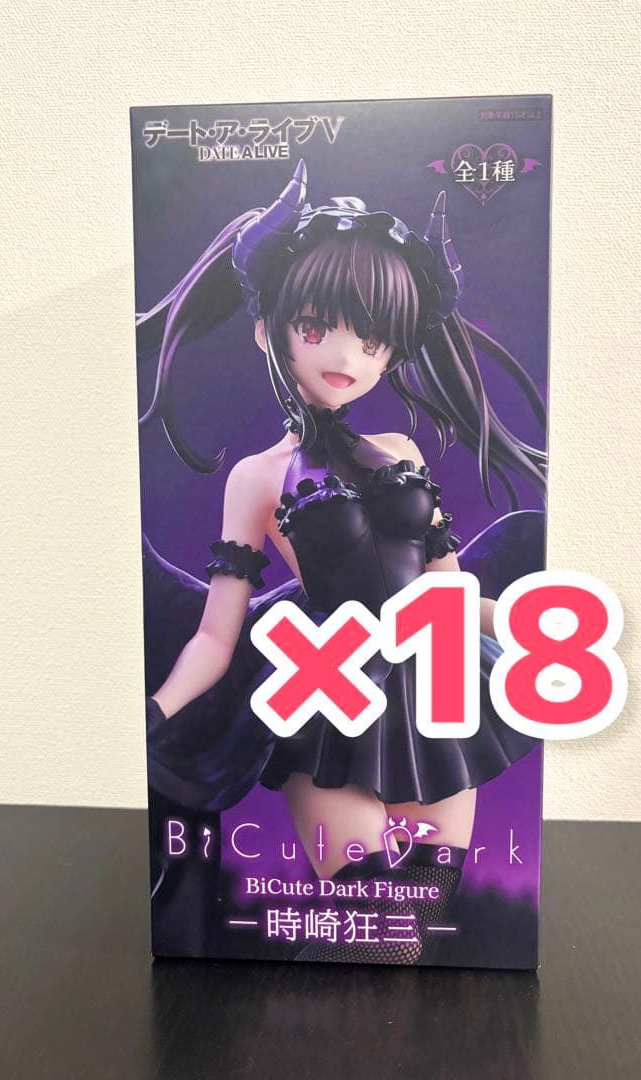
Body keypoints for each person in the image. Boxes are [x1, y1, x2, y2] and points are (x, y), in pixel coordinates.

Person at [137, 159, 546, 962]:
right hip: (329, 694)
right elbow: (217, 635)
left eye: (373, 337)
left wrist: (543, 630)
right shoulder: (258, 478)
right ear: (271, 330)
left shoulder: (400, 451)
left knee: (412, 931)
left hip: (435, 695)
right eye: (318, 325)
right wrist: (157, 709)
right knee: (367, 933)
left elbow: (445, 593)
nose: (348, 353)